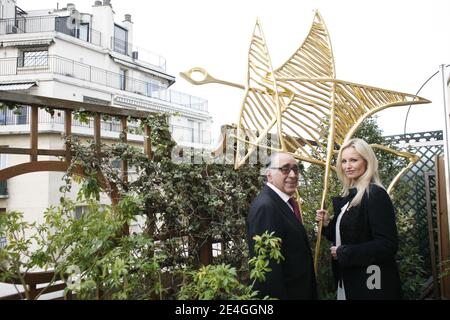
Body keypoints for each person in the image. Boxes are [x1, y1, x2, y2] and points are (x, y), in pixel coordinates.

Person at [315, 138, 401, 300]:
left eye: (354, 160)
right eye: (344, 161)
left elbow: (387, 245)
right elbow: (352, 233)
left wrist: (345, 252)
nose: (347, 166)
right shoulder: (350, 195)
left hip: (371, 282)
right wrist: (328, 223)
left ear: (367, 162)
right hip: (349, 279)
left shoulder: (375, 194)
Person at [247, 152, 317, 300]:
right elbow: (267, 270)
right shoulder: (266, 207)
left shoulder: (285, 203)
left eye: (296, 169)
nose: (293, 175)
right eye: (285, 169)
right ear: (269, 175)